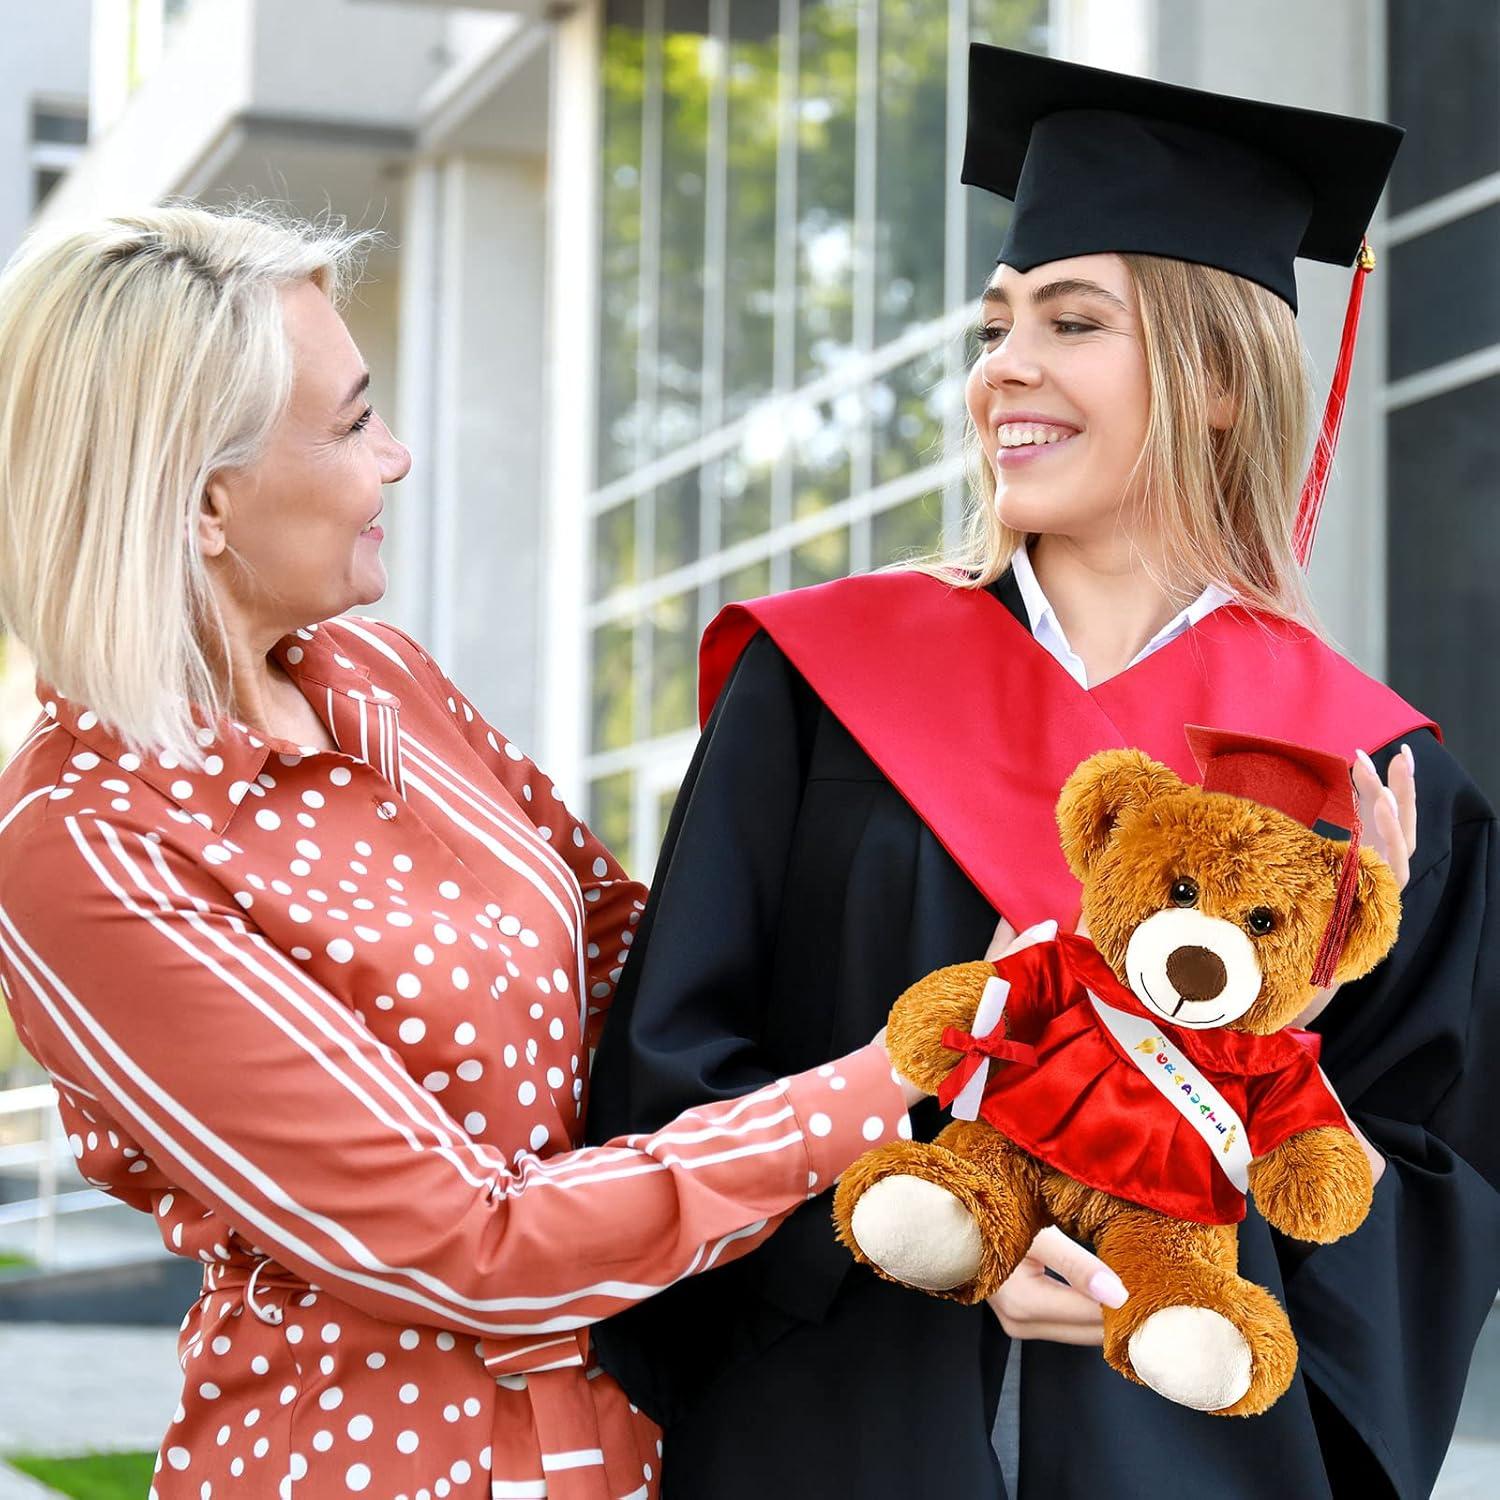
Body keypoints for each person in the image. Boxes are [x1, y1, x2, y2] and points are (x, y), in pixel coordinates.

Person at [586, 46, 1500, 1500]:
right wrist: (921, 1232)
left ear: (1215, 379)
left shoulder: (1373, 782)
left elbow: (1436, 1189)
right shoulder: (822, 687)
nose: (1003, 366)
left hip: (1192, 1455)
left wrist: (1225, 1159)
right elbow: (672, 1070)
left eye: (1074, 324)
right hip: (844, 1427)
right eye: (999, 321)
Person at [0, 205, 923, 1500]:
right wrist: (885, 1086)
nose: (399, 455)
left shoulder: (378, 678)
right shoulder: (88, 850)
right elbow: (466, 1244)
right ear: (209, 503)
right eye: (352, 422)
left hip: (632, 1441)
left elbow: (630, 957)